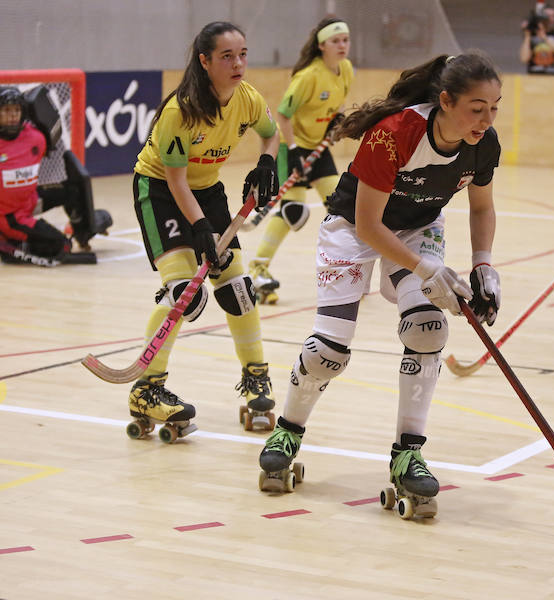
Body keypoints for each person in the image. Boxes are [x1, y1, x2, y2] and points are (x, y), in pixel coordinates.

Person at [257, 52, 503, 513]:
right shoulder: (395, 135)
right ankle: (286, 431)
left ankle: (408, 453)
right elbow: (370, 227)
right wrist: (430, 271)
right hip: (353, 229)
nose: (486, 120)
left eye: (495, 107)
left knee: (427, 328)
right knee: (328, 350)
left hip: (417, 228)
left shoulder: (483, 143)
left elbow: (482, 207)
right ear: (445, 101)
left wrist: (484, 266)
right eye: (477, 108)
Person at [129, 21, 281, 440]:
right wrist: (199, 227)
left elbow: (273, 136)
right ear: (205, 61)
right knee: (185, 293)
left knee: (236, 287)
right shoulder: (181, 111)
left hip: (208, 189)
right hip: (160, 192)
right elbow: (176, 182)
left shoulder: (247, 98)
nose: (238, 64)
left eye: (243, 54)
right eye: (227, 56)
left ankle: (256, 378)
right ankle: (147, 388)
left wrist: (266, 161)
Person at [248, 17, 354, 304]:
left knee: (341, 205)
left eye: (345, 40)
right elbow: (282, 114)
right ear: (322, 45)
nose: (342, 45)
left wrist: (337, 120)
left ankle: (344, 269)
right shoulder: (308, 76)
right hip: (290, 146)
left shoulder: (345, 69)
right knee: (294, 211)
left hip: (318, 147)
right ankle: (258, 268)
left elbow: (338, 104)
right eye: (336, 41)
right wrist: (294, 150)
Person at [0, 86, 110, 265]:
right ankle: (8, 245)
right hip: (9, 217)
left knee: (73, 190)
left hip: (30, 200)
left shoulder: (36, 138)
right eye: (6, 110)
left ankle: (84, 232)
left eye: (16, 110)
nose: (13, 115)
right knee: (61, 245)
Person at [519, 5, 554, 75]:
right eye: (547, 16)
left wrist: (544, 37)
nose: (550, 19)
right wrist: (527, 35)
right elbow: (524, 58)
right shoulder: (532, 35)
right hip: (534, 77)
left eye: (553, 16)